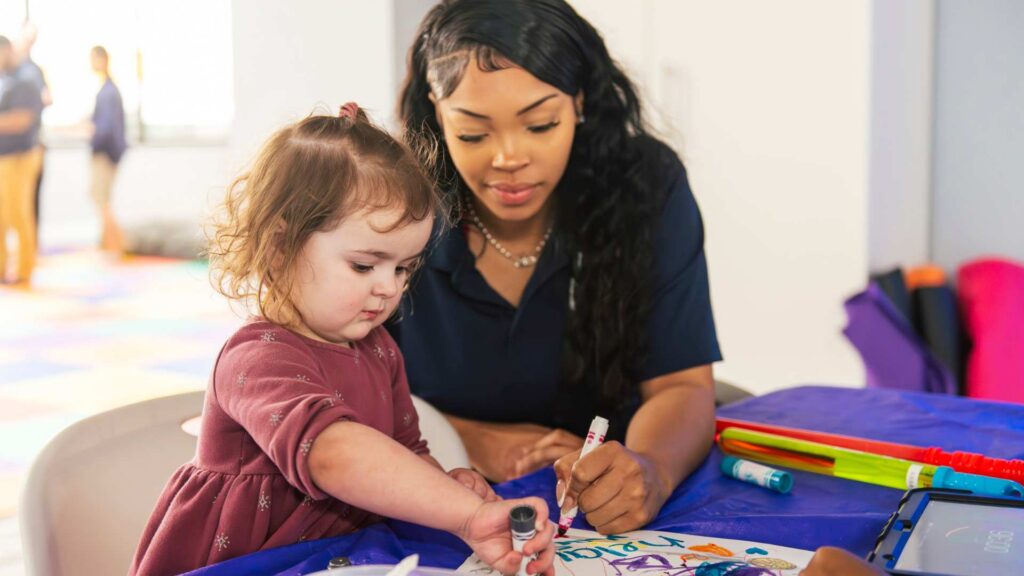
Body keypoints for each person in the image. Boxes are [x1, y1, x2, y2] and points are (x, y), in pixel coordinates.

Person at [129, 104, 556, 575]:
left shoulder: (377, 349)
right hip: (249, 564)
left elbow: (404, 453)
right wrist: (468, 515)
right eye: (363, 265)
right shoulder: (256, 357)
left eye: (403, 268)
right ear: (278, 248)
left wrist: (449, 494)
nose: (389, 287)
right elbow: (333, 454)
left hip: (344, 559)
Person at [393, 0, 721, 534]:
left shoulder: (644, 187)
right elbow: (329, 397)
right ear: (435, 111)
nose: (508, 158)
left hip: (601, 523)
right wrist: (466, 438)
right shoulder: (392, 207)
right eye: (473, 133)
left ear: (580, 102)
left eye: (540, 124)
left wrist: (651, 471)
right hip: (431, 510)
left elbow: (682, 386)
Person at [0, 35, 43, 284]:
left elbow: (22, 120)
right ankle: (3, 266)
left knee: (19, 212)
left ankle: (25, 269)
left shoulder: (25, 79)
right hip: (3, 157)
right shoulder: (5, 80)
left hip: (21, 156)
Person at [88, 45, 127, 254]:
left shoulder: (109, 92)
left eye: (93, 59)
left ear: (102, 59)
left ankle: (117, 245)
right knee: (101, 199)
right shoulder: (107, 90)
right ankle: (109, 244)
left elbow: (106, 129)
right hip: (106, 153)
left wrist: (90, 129)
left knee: (102, 200)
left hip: (104, 154)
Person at [15, 22, 50, 244]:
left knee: (30, 201)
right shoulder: (10, 70)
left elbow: (47, 98)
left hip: (31, 144)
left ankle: (31, 248)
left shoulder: (33, 71)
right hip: (9, 147)